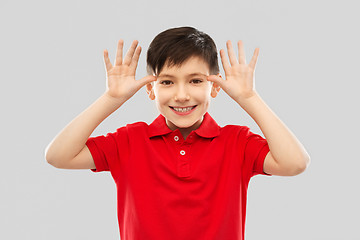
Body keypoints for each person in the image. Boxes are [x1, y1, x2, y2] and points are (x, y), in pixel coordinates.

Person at [45, 26, 310, 240]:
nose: (181, 95)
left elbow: (295, 163)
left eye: (195, 81)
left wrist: (249, 97)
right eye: (167, 82)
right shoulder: (129, 140)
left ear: (215, 87)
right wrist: (112, 98)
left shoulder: (236, 142)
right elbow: (58, 156)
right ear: (151, 89)